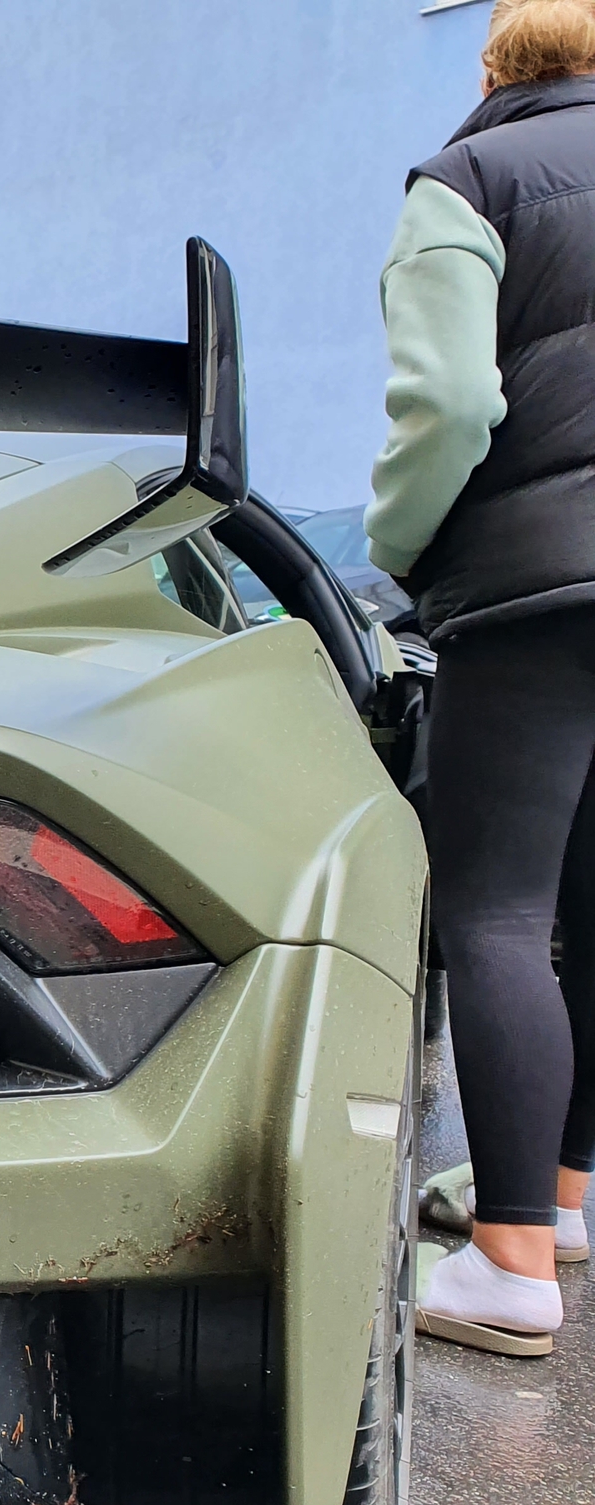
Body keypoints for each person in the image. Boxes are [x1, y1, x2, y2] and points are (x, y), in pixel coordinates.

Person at [366, 0, 595, 1357]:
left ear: (493, 63)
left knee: (498, 912)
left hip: (534, 588)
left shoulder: (471, 180)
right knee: (592, 902)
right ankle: (561, 1199)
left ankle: (508, 1263)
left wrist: (401, 548)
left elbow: (448, 405)